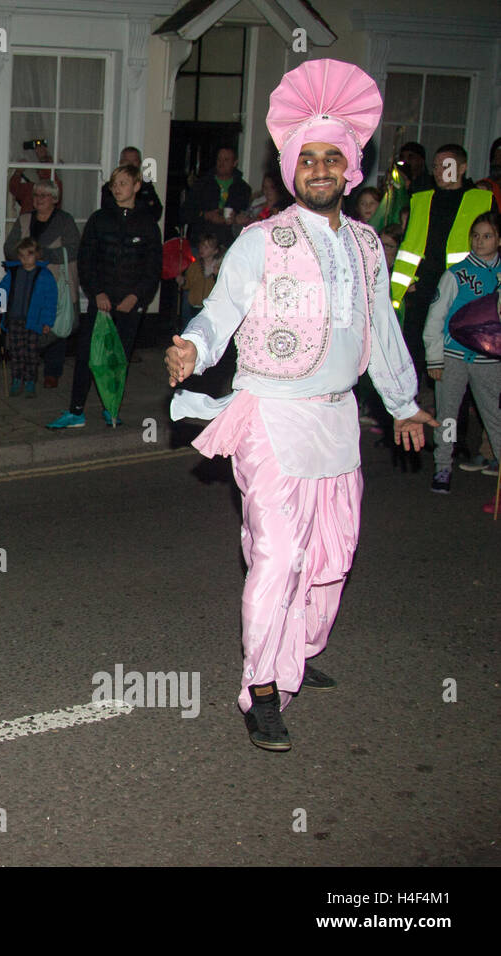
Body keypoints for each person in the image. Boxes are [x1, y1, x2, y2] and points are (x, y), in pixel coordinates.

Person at [166, 60, 437, 753]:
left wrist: (404, 403)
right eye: (308, 159)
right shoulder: (262, 241)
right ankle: (262, 689)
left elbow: (380, 331)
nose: (320, 169)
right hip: (270, 414)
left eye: (332, 159)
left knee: (331, 557)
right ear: (292, 170)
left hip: (338, 419)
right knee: (280, 554)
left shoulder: (369, 245)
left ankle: (297, 651)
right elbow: (219, 311)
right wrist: (194, 349)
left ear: (349, 170)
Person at [48, 164, 160, 428]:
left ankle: (112, 408)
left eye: (123, 183)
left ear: (136, 186)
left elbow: (152, 267)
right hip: (102, 302)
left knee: (118, 360)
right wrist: (97, 292)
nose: (117, 188)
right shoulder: (99, 219)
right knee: (87, 356)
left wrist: (136, 297)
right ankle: (76, 411)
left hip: (129, 305)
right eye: (114, 184)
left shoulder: (147, 225)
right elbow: (87, 260)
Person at [390, 144, 498, 385]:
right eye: (437, 166)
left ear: (462, 168)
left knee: (455, 358)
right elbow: (409, 245)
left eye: (446, 165)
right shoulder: (420, 199)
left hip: (465, 291)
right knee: (413, 353)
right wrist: (406, 283)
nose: (439, 171)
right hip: (423, 288)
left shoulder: (482, 199)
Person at [423, 211, 501, 490]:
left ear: (499, 239)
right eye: (476, 236)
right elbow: (435, 316)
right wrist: (434, 356)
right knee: (448, 416)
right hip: (453, 356)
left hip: (489, 360)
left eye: (487, 236)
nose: (479, 242)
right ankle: (443, 466)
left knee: (494, 414)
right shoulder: (456, 274)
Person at [3, 180, 80, 387]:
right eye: (36, 195)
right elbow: (10, 248)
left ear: (54, 199)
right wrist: (24, 257)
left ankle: (52, 372)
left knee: (56, 328)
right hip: (28, 286)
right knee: (29, 328)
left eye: (44, 195)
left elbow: (73, 249)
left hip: (54, 284)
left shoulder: (65, 221)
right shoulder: (25, 219)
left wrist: (42, 255)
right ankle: (26, 371)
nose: (38, 199)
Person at [0, 238, 56, 397]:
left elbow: (50, 300)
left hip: (34, 321)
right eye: (22, 256)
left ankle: (30, 381)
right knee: (16, 351)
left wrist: (47, 321)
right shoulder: (13, 273)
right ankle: (17, 379)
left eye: (29, 255)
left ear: (36, 255)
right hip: (14, 319)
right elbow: (2, 290)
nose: (25, 259)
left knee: (31, 352)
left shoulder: (44, 275)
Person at [184, 145, 253, 248]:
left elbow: (248, 217)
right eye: (219, 159)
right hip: (201, 245)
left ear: (235, 163)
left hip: (229, 244)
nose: (221, 163)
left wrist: (235, 218)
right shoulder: (202, 185)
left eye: (226, 160)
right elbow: (185, 213)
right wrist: (206, 215)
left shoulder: (243, 189)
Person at [99, 146, 163, 224]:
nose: (131, 164)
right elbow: (109, 210)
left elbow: (156, 212)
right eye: (127, 161)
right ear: (121, 163)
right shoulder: (111, 187)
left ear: (139, 163)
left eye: (134, 161)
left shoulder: (146, 187)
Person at [176, 231, 223, 326]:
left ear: (215, 251)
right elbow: (188, 284)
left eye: (206, 247)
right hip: (195, 305)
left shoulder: (220, 268)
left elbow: (223, 288)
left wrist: (217, 276)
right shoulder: (195, 266)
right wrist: (183, 282)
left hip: (211, 308)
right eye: (201, 246)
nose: (202, 249)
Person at [8, 139, 64, 214]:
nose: (38, 149)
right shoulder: (30, 186)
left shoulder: (54, 180)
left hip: (47, 222)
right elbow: (14, 189)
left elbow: (54, 191)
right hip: (28, 222)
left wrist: (44, 160)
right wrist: (18, 171)